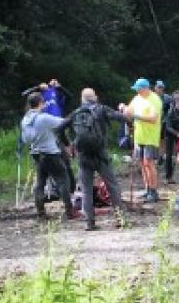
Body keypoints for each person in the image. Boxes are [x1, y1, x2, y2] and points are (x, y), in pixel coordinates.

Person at [62, 88, 129, 230]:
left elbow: (58, 128)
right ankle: (120, 219)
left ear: (82, 99)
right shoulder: (102, 109)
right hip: (101, 154)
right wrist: (127, 118)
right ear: (95, 97)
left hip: (83, 156)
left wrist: (69, 145)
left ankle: (90, 223)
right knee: (112, 186)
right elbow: (122, 118)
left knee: (86, 189)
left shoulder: (75, 113)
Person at [20, 93, 78, 220]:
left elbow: (25, 139)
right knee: (63, 179)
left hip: (36, 153)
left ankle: (41, 213)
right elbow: (64, 122)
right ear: (41, 103)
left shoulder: (24, 120)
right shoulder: (44, 118)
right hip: (51, 153)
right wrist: (75, 113)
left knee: (40, 183)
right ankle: (69, 211)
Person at [125, 77, 164, 203]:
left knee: (149, 163)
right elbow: (129, 110)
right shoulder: (137, 98)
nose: (137, 92)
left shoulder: (155, 100)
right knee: (142, 163)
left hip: (150, 137)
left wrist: (135, 115)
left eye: (139, 89)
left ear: (145, 88)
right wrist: (124, 108)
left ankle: (154, 190)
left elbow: (153, 118)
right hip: (139, 136)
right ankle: (147, 189)